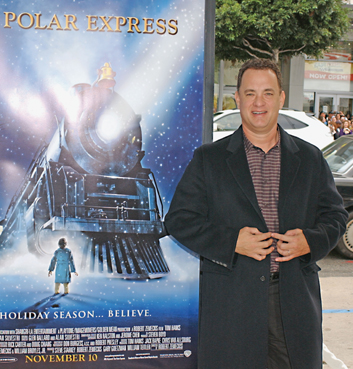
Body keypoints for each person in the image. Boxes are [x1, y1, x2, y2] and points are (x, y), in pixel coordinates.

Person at [164, 58, 347, 369]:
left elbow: (335, 217)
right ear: (237, 99)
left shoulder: (310, 158)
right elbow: (179, 220)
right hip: (231, 303)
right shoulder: (209, 159)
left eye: (267, 93)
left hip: (292, 300)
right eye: (250, 93)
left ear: (281, 98)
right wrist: (232, 242)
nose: (258, 102)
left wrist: (310, 242)